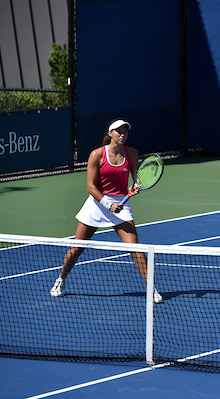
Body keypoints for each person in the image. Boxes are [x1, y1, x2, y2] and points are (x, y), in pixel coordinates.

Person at [49, 119, 163, 304]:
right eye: (118, 131)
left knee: (135, 248)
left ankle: (152, 288)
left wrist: (134, 187)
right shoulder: (97, 155)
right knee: (77, 248)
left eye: (125, 131)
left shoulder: (132, 153)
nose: (122, 134)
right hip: (97, 203)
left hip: (121, 205)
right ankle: (60, 280)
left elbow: (136, 180)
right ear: (110, 133)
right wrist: (108, 204)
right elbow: (90, 187)